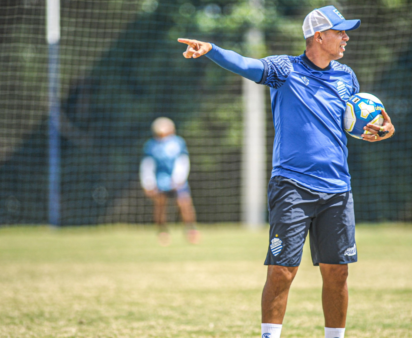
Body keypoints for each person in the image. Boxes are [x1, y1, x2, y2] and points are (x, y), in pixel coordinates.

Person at [178, 5, 395, 338]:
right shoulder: (285, 69)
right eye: (340, 31)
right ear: (318, 36)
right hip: (292, 186)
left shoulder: (346, 76)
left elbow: (358, 119)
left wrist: (381, 126)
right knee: (282, 271)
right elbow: (248, 65)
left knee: (337, 273)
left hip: (338, 189)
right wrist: (212, 50)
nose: (346, 37)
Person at [139, 117, 199, 246]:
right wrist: (148, 183)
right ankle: (162, 232)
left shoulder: (178, 143)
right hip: (160, 181)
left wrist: (178, 179)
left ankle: (191, 230)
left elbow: (183, 161)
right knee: (160, 206)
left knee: (184, 204)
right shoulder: (151, 145)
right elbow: (147, 165)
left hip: (177, 181)